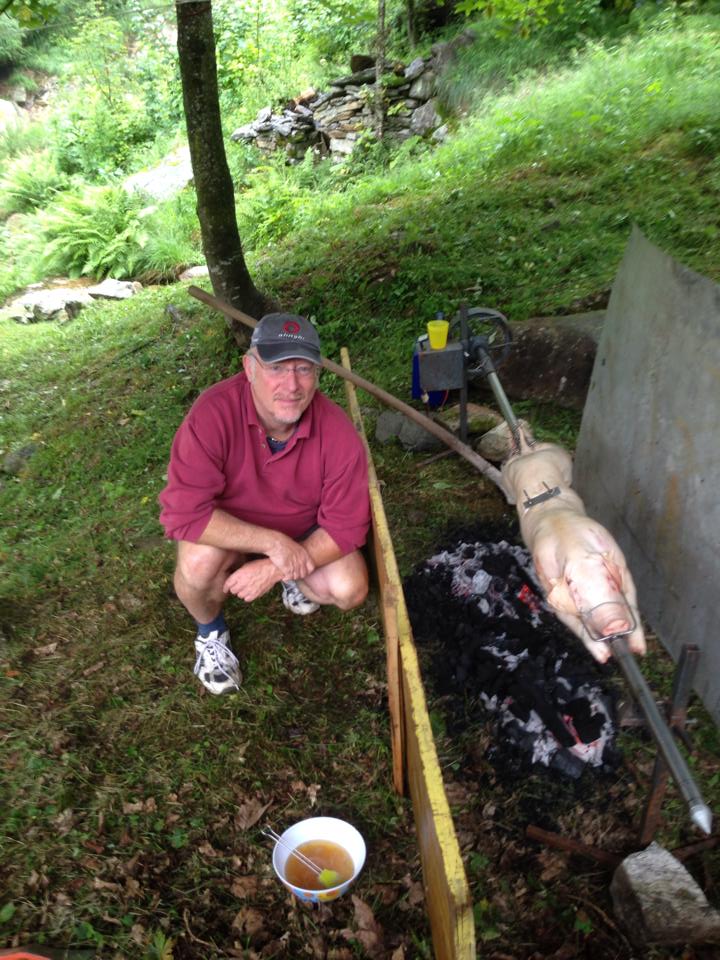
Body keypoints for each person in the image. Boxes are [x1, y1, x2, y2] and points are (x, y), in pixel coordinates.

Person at [159, 312, 371, 695]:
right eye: (276, 368)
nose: (291, 385)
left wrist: (276, 567)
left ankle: (292, 576)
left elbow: (346, 528)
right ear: (249, 368)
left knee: (349, 588)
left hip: (302, 530)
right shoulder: (212, 414)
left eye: (303, 369)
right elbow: (184, 515)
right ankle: (210, 631)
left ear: (318, 374)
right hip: (232, 530)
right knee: (197, 564)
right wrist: (273, 544)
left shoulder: (338, 433)